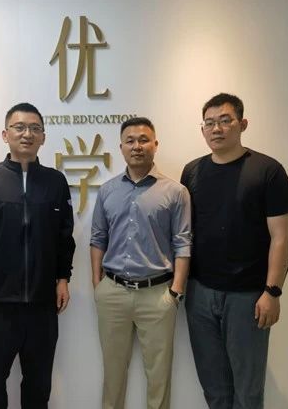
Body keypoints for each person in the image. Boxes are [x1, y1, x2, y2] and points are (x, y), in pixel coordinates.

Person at [180, 93, 288, 409]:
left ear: (242, 124)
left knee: (248, 391)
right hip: (200, 293)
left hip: (248, 296)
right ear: (202, 129)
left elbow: (281, 236)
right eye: (209, 123)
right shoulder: (192, 171)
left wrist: (273, 291)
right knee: (214, 388)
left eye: (225, 120)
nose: (216, 129)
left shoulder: (268, 170)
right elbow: (184, 233)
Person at [0, 102, 75, 409]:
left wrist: (63, 278)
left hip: (43, 304)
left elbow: (64, 235)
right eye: (19, 127)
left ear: (43, 137)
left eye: (34, 128)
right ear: (5, 134)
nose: (27, 134)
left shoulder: (55, 181)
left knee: (39, 384)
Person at [90, 117, 191, 409]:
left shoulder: (175, 192)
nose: (137, 146)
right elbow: (98, 238)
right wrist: (98, 285)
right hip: (113, 292)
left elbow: (183, 242)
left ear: (155, 145)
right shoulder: (107, 190)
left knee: (159, 376)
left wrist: (175, 292)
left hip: (157, 295)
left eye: (144, 140)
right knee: (113, 373)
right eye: (130, 141)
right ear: (121, 147)